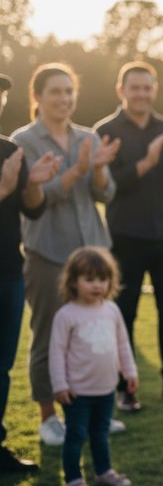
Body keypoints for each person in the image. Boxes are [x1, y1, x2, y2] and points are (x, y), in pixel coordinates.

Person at [11, 63, 121, 446]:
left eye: (69, 91)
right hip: (47, 252)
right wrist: (75, 172)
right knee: (47, 337)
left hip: (92, 250)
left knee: (91, 337)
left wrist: (101, 170)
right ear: (37, 96)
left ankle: (92, 413)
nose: (64, 99)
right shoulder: (23, 141)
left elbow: (104, 194)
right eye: (55, 91)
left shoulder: (88, 136)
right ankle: (47, 418)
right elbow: (33, 200)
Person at [94, 61, 163, 409]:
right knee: (123, 314)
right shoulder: (106, 130)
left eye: (147, 88)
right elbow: (108, 188)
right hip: (125, 237)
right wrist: (146, 162)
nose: (142, 94)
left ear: (154, 90)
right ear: (121, 90)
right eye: (135, 88)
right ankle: (124, 389)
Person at [0, 73, 59, 473]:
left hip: (8, 273)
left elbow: (33, 210)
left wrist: (32, 184)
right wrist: (4, 190)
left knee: (1, 366)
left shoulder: (10, 150)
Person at [50, 246, 137, 486]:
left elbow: (122, 344)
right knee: (76, 435)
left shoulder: (111, 310)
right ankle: (74, 479)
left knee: (100, 434)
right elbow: (56, 352)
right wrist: (60, 384)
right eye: (89, 279)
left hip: (106, 389)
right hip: (77, 392)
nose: (97, 285)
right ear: (73, 281)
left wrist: (130, 372)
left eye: (102, 279)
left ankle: (103, 472)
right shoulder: (66, 315)